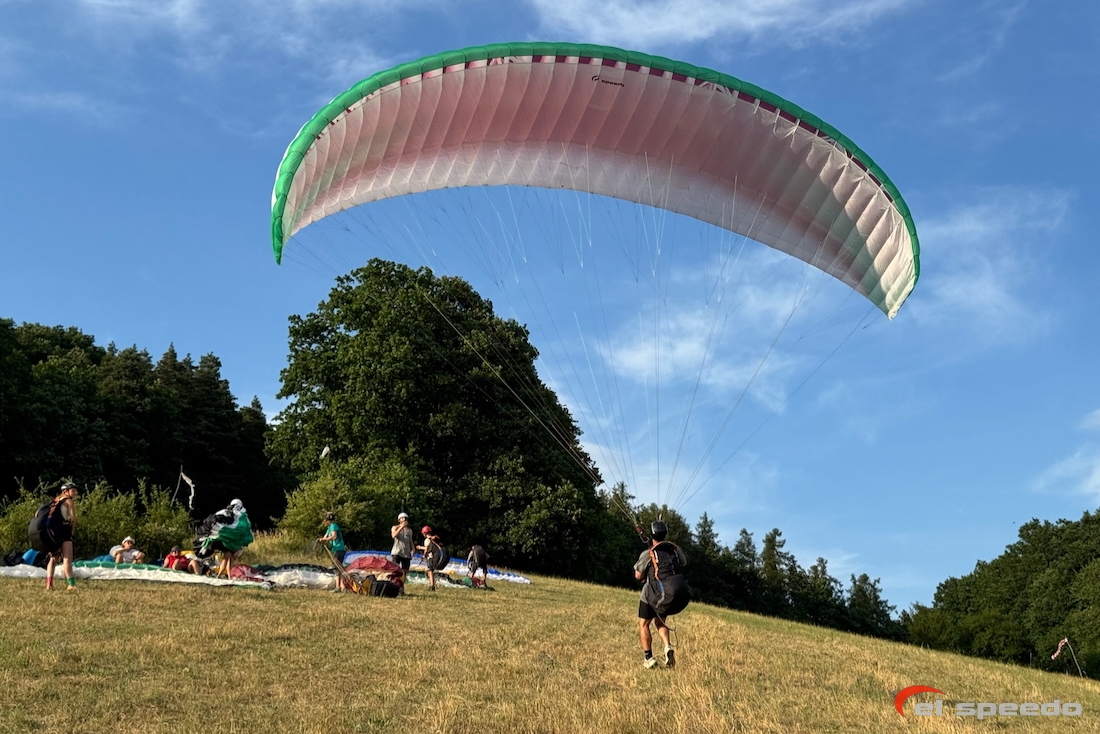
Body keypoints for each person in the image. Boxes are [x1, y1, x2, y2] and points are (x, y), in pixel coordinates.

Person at [634, 520, 690, 669]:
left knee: (644, 624)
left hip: (652, 593)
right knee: (660, 622)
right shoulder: (673, 550)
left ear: (652, 534)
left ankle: (649, 658)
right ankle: (667, 646)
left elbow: (638, 576)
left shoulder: (648, 553)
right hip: (666, 592)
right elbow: (684, 562)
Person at [44, 482, 79, 591]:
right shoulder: (68, 500)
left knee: (53, 558)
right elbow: (73, 518)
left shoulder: (56, 500)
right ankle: (71, 584)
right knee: (67, 558)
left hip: (52, 532)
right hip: (64, 531)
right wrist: (72, 530)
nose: (75, 492)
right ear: (65, 491)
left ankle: (49, 584)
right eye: (73, 490)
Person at [318, 511, 348, 592]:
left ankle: (338, 587)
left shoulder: (333, 526)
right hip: (339, 549)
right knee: (339, 568)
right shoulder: (329, 528)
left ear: (328, 520)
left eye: (325, 520)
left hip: (337, 550)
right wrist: (322, 540)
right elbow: (325, 537)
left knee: (336, 569)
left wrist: (324, 539)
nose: (324, 522)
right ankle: (343, 587)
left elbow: (334, 536)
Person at [418, 525, 441, 591]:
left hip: (431, 557)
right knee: (431, 571)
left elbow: (427, 548)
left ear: (425, 533)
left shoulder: (427, 540)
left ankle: (432, 586)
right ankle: (433, 584)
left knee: (430, 571)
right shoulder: (434, 539)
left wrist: (424, 555)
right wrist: (420, 547)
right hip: (436, 557)